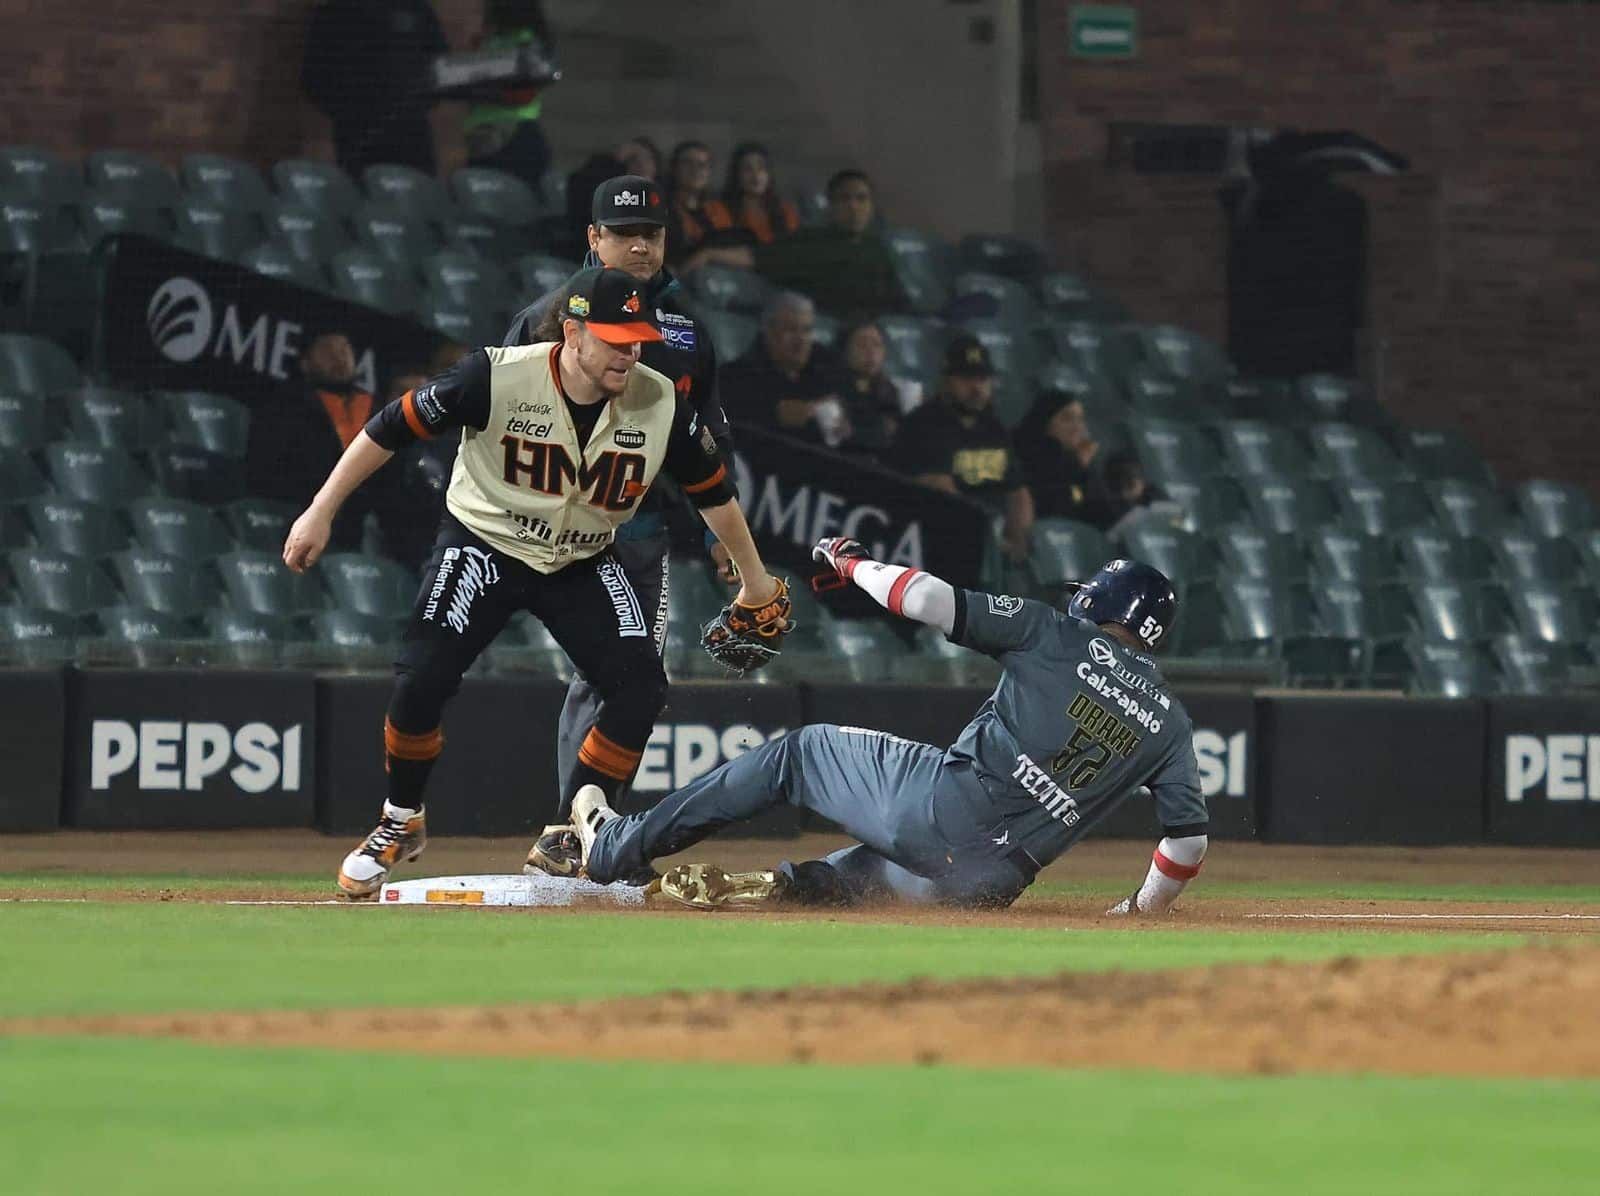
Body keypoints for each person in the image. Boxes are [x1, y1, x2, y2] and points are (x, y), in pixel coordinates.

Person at [283, 267, 785, 900]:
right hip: (485, 541)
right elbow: (388, 427)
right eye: (614, 339)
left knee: (640, 686)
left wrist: (757, 582)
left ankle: (569, 834)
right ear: (573, 333)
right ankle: (400, 818)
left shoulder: (660, 403)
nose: (630, 353)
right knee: (422, 678)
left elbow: (713, 492)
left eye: (636, 340)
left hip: (580, 557)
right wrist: (321, 509)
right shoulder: (494, 375)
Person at [568, 547, 1207, 917]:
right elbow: (1188, 844)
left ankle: (614, 847)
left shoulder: (1056, 633)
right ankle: (788, 887)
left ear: (1095, 603)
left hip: (941, 811)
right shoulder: (1171, 723)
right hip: (988, 883)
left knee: (801, 752)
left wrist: (851, 564)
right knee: (877, 871)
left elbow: (927, 599)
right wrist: (1140, 913)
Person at [502, 175, 733, 875]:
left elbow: (708, 439)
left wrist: (722, 530)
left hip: (641, 531)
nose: (640, 245)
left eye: (653, 234)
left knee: (625, 679)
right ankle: (577, 830)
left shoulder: (687, 329)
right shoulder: (548, 317)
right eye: (623, 232)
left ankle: (577, 831)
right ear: (593, 238)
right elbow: (496, 411)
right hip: (562, 530)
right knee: (604, 676)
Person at [894, 336, 1034, 561]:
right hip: (942, 541)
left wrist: (1019, 539)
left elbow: (1018, 491)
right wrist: (989, 537)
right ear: (946, 381)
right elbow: (940, 489)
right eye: (966, 378)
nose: (976, 387)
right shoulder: (923, 424)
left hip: (994, 541)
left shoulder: (994, 427)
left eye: (982, 379)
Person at [246, 330, 382, 553]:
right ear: (305, 363)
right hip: (300, 514)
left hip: (361, 519)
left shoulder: (374, 408)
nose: (339, 358)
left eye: (344, 350)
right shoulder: (284, 407)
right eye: (327, 351)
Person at [301, 0, 448, 176]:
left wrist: (417, 105)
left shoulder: (416, 8)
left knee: (418, 194)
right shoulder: (336, 10)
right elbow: (313, 76)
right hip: (357, 133)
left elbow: (440, 64)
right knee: (363, 195)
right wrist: (346, 113)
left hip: (411, 132)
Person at [719, 292, 851, 450]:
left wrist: (848, 425)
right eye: (791, 329)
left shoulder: (827, 367)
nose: (800, 339)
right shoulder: (735, 376)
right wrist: (773, 415)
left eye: (806, 330)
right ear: (768, 331)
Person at [463, 0, 556, 191]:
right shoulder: (493, 41)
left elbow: (522, 92)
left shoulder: (521, 42)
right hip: (489, 137)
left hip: (508, 137)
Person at [1013, 388, 1106, 523]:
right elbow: (1049, 508)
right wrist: (1077, 466)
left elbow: (1098, 513)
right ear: (1045, 422)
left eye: (1080, 419)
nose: (1077, 427)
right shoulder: (1026, 455)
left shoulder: (1076, 460)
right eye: (1067, 419)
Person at [700, 142, 800, 247]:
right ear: (737, 175)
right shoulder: (718, 210)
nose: (755, 175)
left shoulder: (786, 212)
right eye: (747, 169)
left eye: (761, 168)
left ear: (769, 174)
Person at [836, 320, 904, 459]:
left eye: (876, 345)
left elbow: (897, 432)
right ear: (845, 351)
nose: (871, 351)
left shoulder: (889, 389)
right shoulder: (834, 385)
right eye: (862, 345)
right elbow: (840, 433)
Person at [662, 140, 727, 266]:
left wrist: (708, 254)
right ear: (674, 168)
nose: (695, 170)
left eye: (702, 165)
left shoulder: (718, 210)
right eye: (688, 163)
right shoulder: (661, 209)